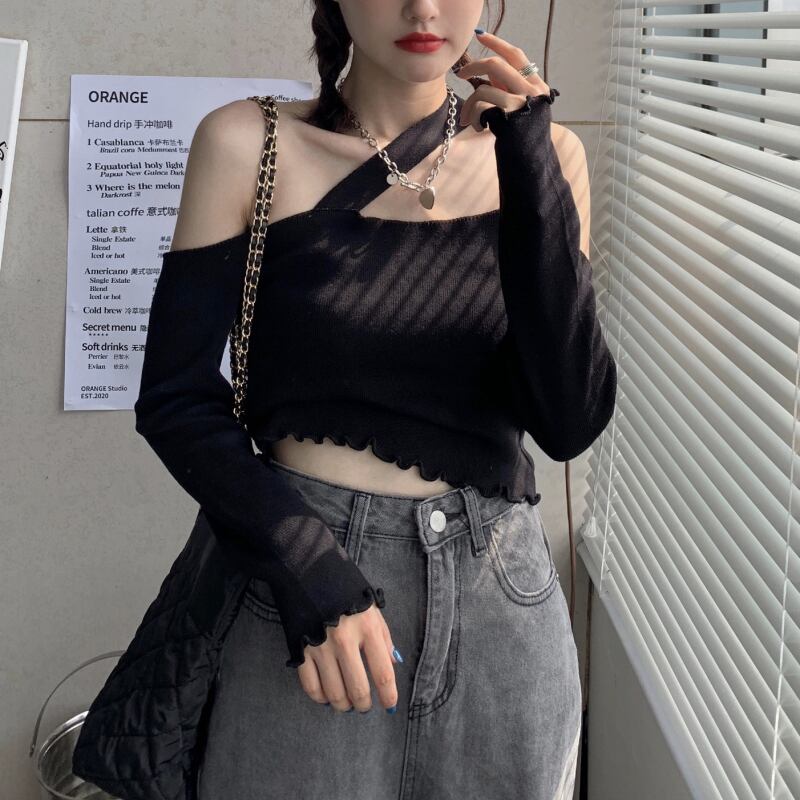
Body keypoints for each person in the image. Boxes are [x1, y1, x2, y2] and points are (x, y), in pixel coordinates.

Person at [132, 1, 617, 797]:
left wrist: (528, 155)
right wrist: (306, 566)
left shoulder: (549, 154)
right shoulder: (249, 143)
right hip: (314, 595)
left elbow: (568, 422)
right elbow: (175, 398)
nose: (423, 7)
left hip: (503, 598)